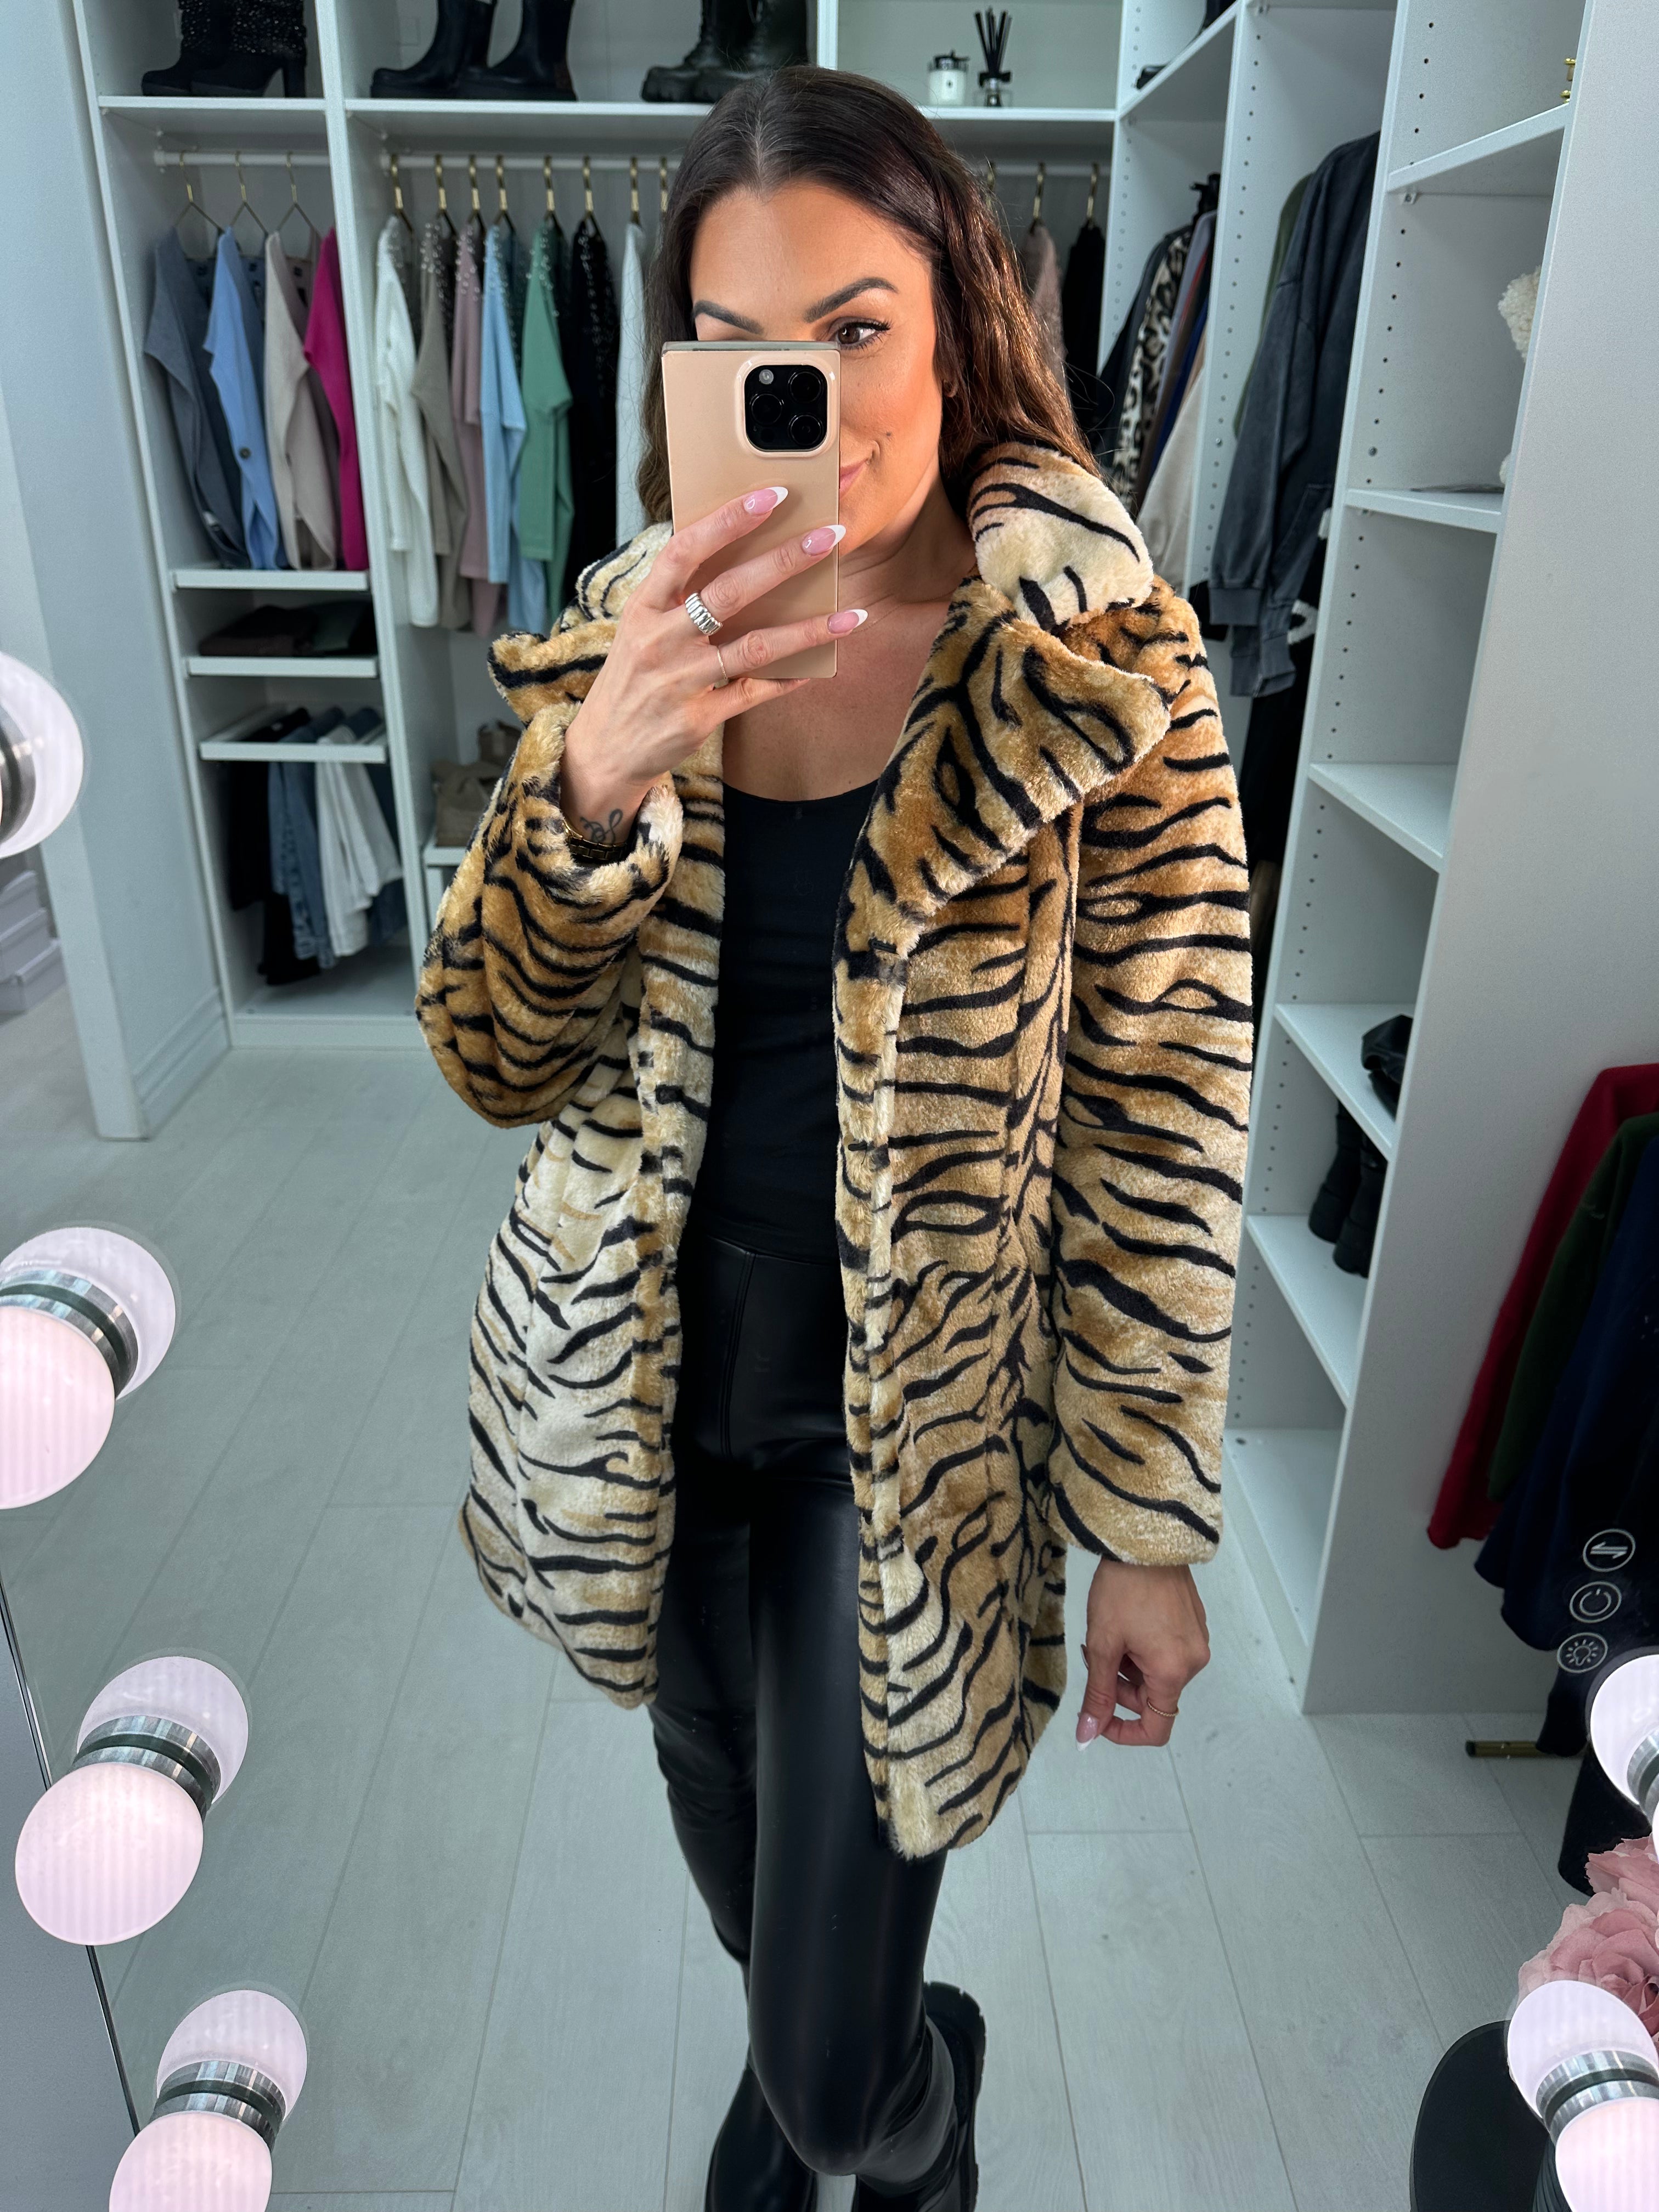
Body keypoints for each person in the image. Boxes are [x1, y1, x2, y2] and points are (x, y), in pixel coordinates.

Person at [417, 65, 1249, 2212]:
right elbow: (492, 1056)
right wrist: (591, 783)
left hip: (915, 1423)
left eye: (856, 327)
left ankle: (902, 2125)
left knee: (820, 2065)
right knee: (741, 1879)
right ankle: (878, 2061)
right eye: (739, 343)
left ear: (961, 317)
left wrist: (1146, 1519)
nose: (806, 395)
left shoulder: (1098, 666)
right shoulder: (632, 627)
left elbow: (1165, 1114)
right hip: (647, 1387)